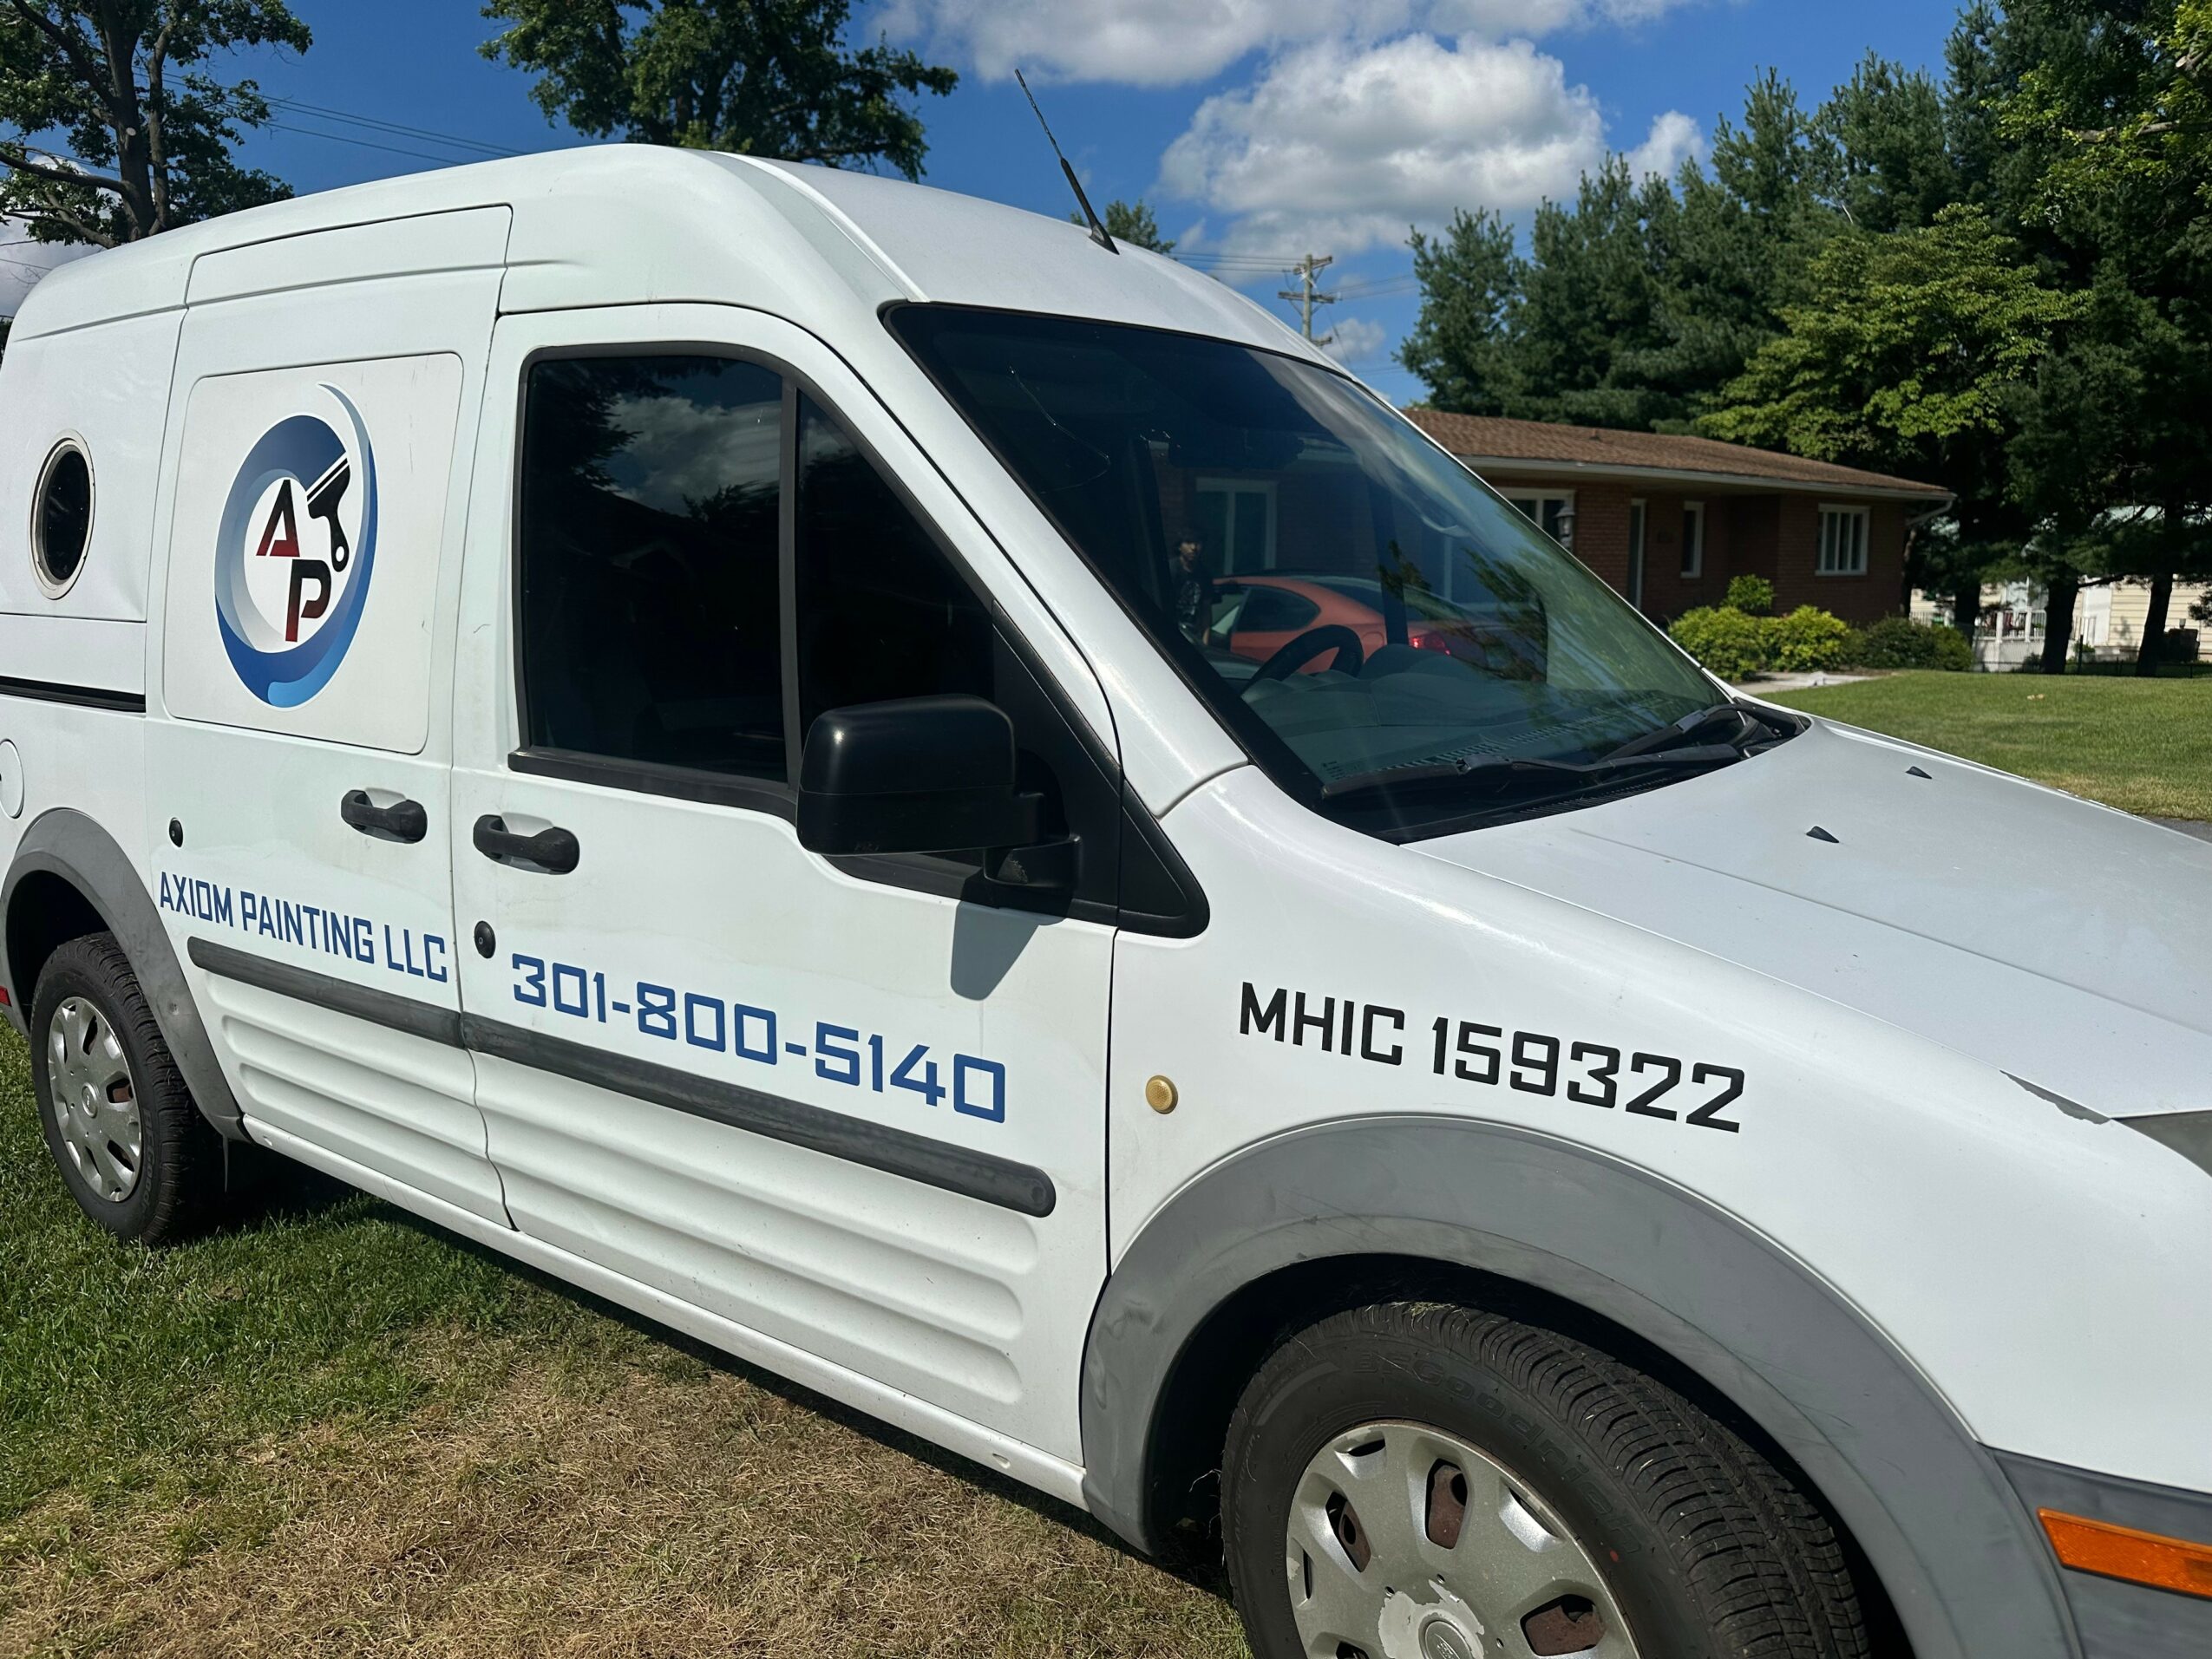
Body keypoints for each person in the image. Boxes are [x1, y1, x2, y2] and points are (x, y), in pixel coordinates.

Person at [1165, 527, 1216, 644]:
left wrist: (1205, 642)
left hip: (1192, 634)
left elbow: (1206, 610)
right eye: (1188, 543)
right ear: (1179, 546)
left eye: (1197, 543)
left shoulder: (1204, 575)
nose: (1193, 548)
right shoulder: (1171, 570)